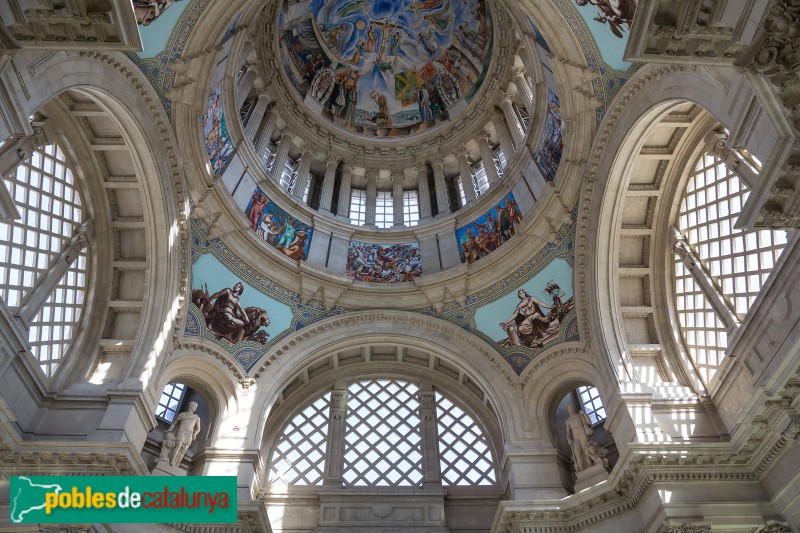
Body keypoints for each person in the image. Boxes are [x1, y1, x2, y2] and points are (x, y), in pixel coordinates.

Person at [163, 401, 202, 467]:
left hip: (189, 434)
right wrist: (169, 430)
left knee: (184, 449)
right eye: (195, 406)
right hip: (181, 431)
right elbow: (174, 423)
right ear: (191, 405)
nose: (195, 408)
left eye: (196, 407)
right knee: (178, 445)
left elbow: (198, 428)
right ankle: (171, 461)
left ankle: (177, 463)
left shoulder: (196, 417)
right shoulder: (182, 414)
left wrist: (195, 434)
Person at [565, 404, 594, 471]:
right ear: (567, 410)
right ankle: (581, 470)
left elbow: (589, 422)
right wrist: (569, 439)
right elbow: (568, 433)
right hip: (575, 436)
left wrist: (583, 413)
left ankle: (590, 466)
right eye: (569, 408)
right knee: (577, 453)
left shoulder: (579, 415)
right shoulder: (567, 421)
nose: (571, 409)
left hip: (582, 432)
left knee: (585, 449)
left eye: (572, 407)